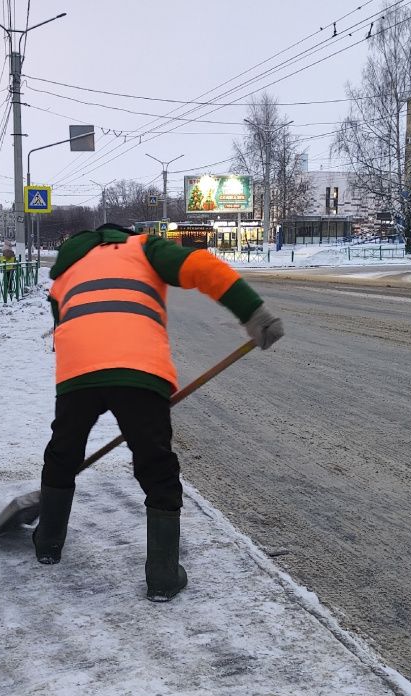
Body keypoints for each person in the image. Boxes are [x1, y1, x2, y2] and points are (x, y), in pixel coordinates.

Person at [35, 222, 284, 602]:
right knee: (156, 465)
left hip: (78, 370)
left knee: (63, 452)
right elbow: (203, 267)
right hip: (138, 368)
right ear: (124, 236)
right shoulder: (143, 248)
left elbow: (63, 323)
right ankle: (163, 576)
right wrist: (254, 313)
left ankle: (47, 543)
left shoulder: (65, 271)